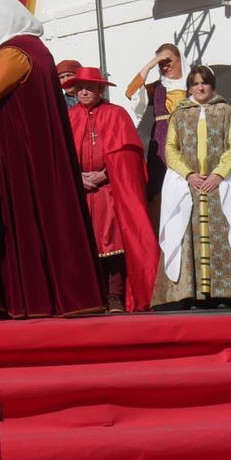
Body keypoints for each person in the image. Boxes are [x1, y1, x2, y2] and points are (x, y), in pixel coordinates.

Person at [0, 0, 103, 318]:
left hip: (17, 155)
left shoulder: (15, 53)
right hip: (32, 152)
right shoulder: (37, 50)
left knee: (16, 219)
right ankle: (35, 298)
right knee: (37, 220)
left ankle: (27, 299)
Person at [154, 64, 231, 306]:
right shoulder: (179, 114)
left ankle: (227, 291)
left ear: (212, 85)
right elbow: (170, 148)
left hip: (218, 183)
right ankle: (191, 293)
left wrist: (218, 174)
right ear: (189, 87)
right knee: (186, 236)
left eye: (205, 82)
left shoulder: (226, 111)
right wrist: (188, 174)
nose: (200, 87)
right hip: (189, 184)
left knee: (226, 233)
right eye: (195, 83)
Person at [64, 66, 158, 312]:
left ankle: (115, 295)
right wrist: (77, 177)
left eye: (90, 87)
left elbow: (129, 156)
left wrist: (106, 173)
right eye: (81, 88)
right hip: (79, 191)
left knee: (113, 240)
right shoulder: (68, 117)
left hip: (110, 190)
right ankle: (92, 296)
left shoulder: (117, 115)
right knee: (85, 243)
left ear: (99, 89)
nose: (84, 92)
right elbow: (59, 157)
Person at [125, 43, 186, 218]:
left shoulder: (192, 83)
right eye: (161, 63)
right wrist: (150, 65)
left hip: (185, 139)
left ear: (179, 59)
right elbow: (131, 92)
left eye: (168, 60)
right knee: (159, 185)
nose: (164, 66)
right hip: (160, 141)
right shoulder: (158, 87)